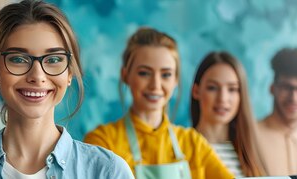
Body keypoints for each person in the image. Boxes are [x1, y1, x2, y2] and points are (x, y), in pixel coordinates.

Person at [0, 0, 134, 178]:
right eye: (19, 59)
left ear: (70, 74)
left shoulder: (108, 172)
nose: (37, 76)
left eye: (54, 59)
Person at [84, 27, 234, 179]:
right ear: (125, 75)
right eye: (144, 73)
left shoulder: (193, 143)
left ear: (175, 79)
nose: (155, 85)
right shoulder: (102, 142)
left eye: (166, 74)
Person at [190, 51, 266, 177]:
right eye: (212, 88)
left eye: (232, 89)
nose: (223, 98)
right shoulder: (182, 148)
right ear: (196, 91)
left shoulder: (250, 153)